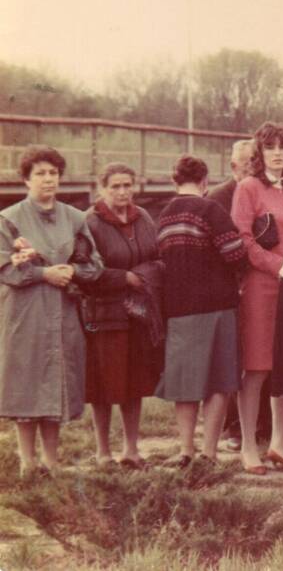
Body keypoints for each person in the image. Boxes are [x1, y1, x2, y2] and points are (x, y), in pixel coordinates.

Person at [0, 146, 104, 477]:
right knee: (26, 379)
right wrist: (43, 273)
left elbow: (93, 262)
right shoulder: (10, 219)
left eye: (53, 173)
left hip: (62, 311)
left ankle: (51, 459)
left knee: (57, 380)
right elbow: (4, 266)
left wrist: (73, 272)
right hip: (25, 312)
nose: (48, 179)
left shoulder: (75, 218)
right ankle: (26, 461)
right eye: (41, 173)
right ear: (26, 179)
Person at [156, 154, 246, 466]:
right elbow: (234, 253)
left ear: (174, 181)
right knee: (218, 381)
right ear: (206, 182)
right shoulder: (211, 209)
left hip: (179, 308)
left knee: (185, 383)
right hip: (217, 305)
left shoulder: (165, 214)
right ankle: (208, 451)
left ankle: (185, 450)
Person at [231, 121, 283, 475]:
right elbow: (242, 240)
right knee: (258, 366)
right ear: (259, 153)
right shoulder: (249, 188)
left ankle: (279, 442)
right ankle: (248, 446)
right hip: (263, 285)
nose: (278, 153)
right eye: (270, 147)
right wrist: (278, 266)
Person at [83, 162, 161, 468]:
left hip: (138, 314)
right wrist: (124, 279)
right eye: (115, 186)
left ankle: (131, 449)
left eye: (127, 185)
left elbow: (156, 257)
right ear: (102, 188)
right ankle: (103, 451)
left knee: (135, 381)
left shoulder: (143, 218)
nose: (122, 191)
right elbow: (85, 270)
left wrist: (145, 274)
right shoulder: (90, 222)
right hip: (104, 313)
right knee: (102, 385)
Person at [207, 138, 257, 452]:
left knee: (259, 359)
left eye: (256, 162)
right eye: (247, 163)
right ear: (234, 166)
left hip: (259, 281)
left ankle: (259, 425)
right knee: (235, 360)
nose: (253, 168)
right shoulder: (217, 198)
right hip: (229, 285)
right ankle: (234, 428)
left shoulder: (263, 191)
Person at [207, 139, 256, 213]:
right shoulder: (217, 198)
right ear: (234, 167)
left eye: (256, 164)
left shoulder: (264, 195)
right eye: (246, 165)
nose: (253, 170)